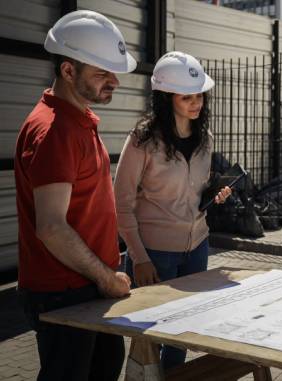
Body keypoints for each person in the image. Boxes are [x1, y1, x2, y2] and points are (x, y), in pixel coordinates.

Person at [14, 10, 137, 381]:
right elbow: (51, 227)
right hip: (65, 292)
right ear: (68, 71)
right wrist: (105, 277)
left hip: (84, 289)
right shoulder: (55, 130)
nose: (114, 81)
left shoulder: (76, 119)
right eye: (101, 73)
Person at [114, 51, 231, 370]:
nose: (197, 103)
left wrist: (214, 194)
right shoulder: (142, 140)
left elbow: (196, 192)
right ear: (166, 99)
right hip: (155, 253)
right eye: (187, 97)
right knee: (151, 336)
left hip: (197, 249)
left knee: (182, 332)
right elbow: (121, 202)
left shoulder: (205, 139)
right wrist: (139, 257)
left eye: (199, 96)